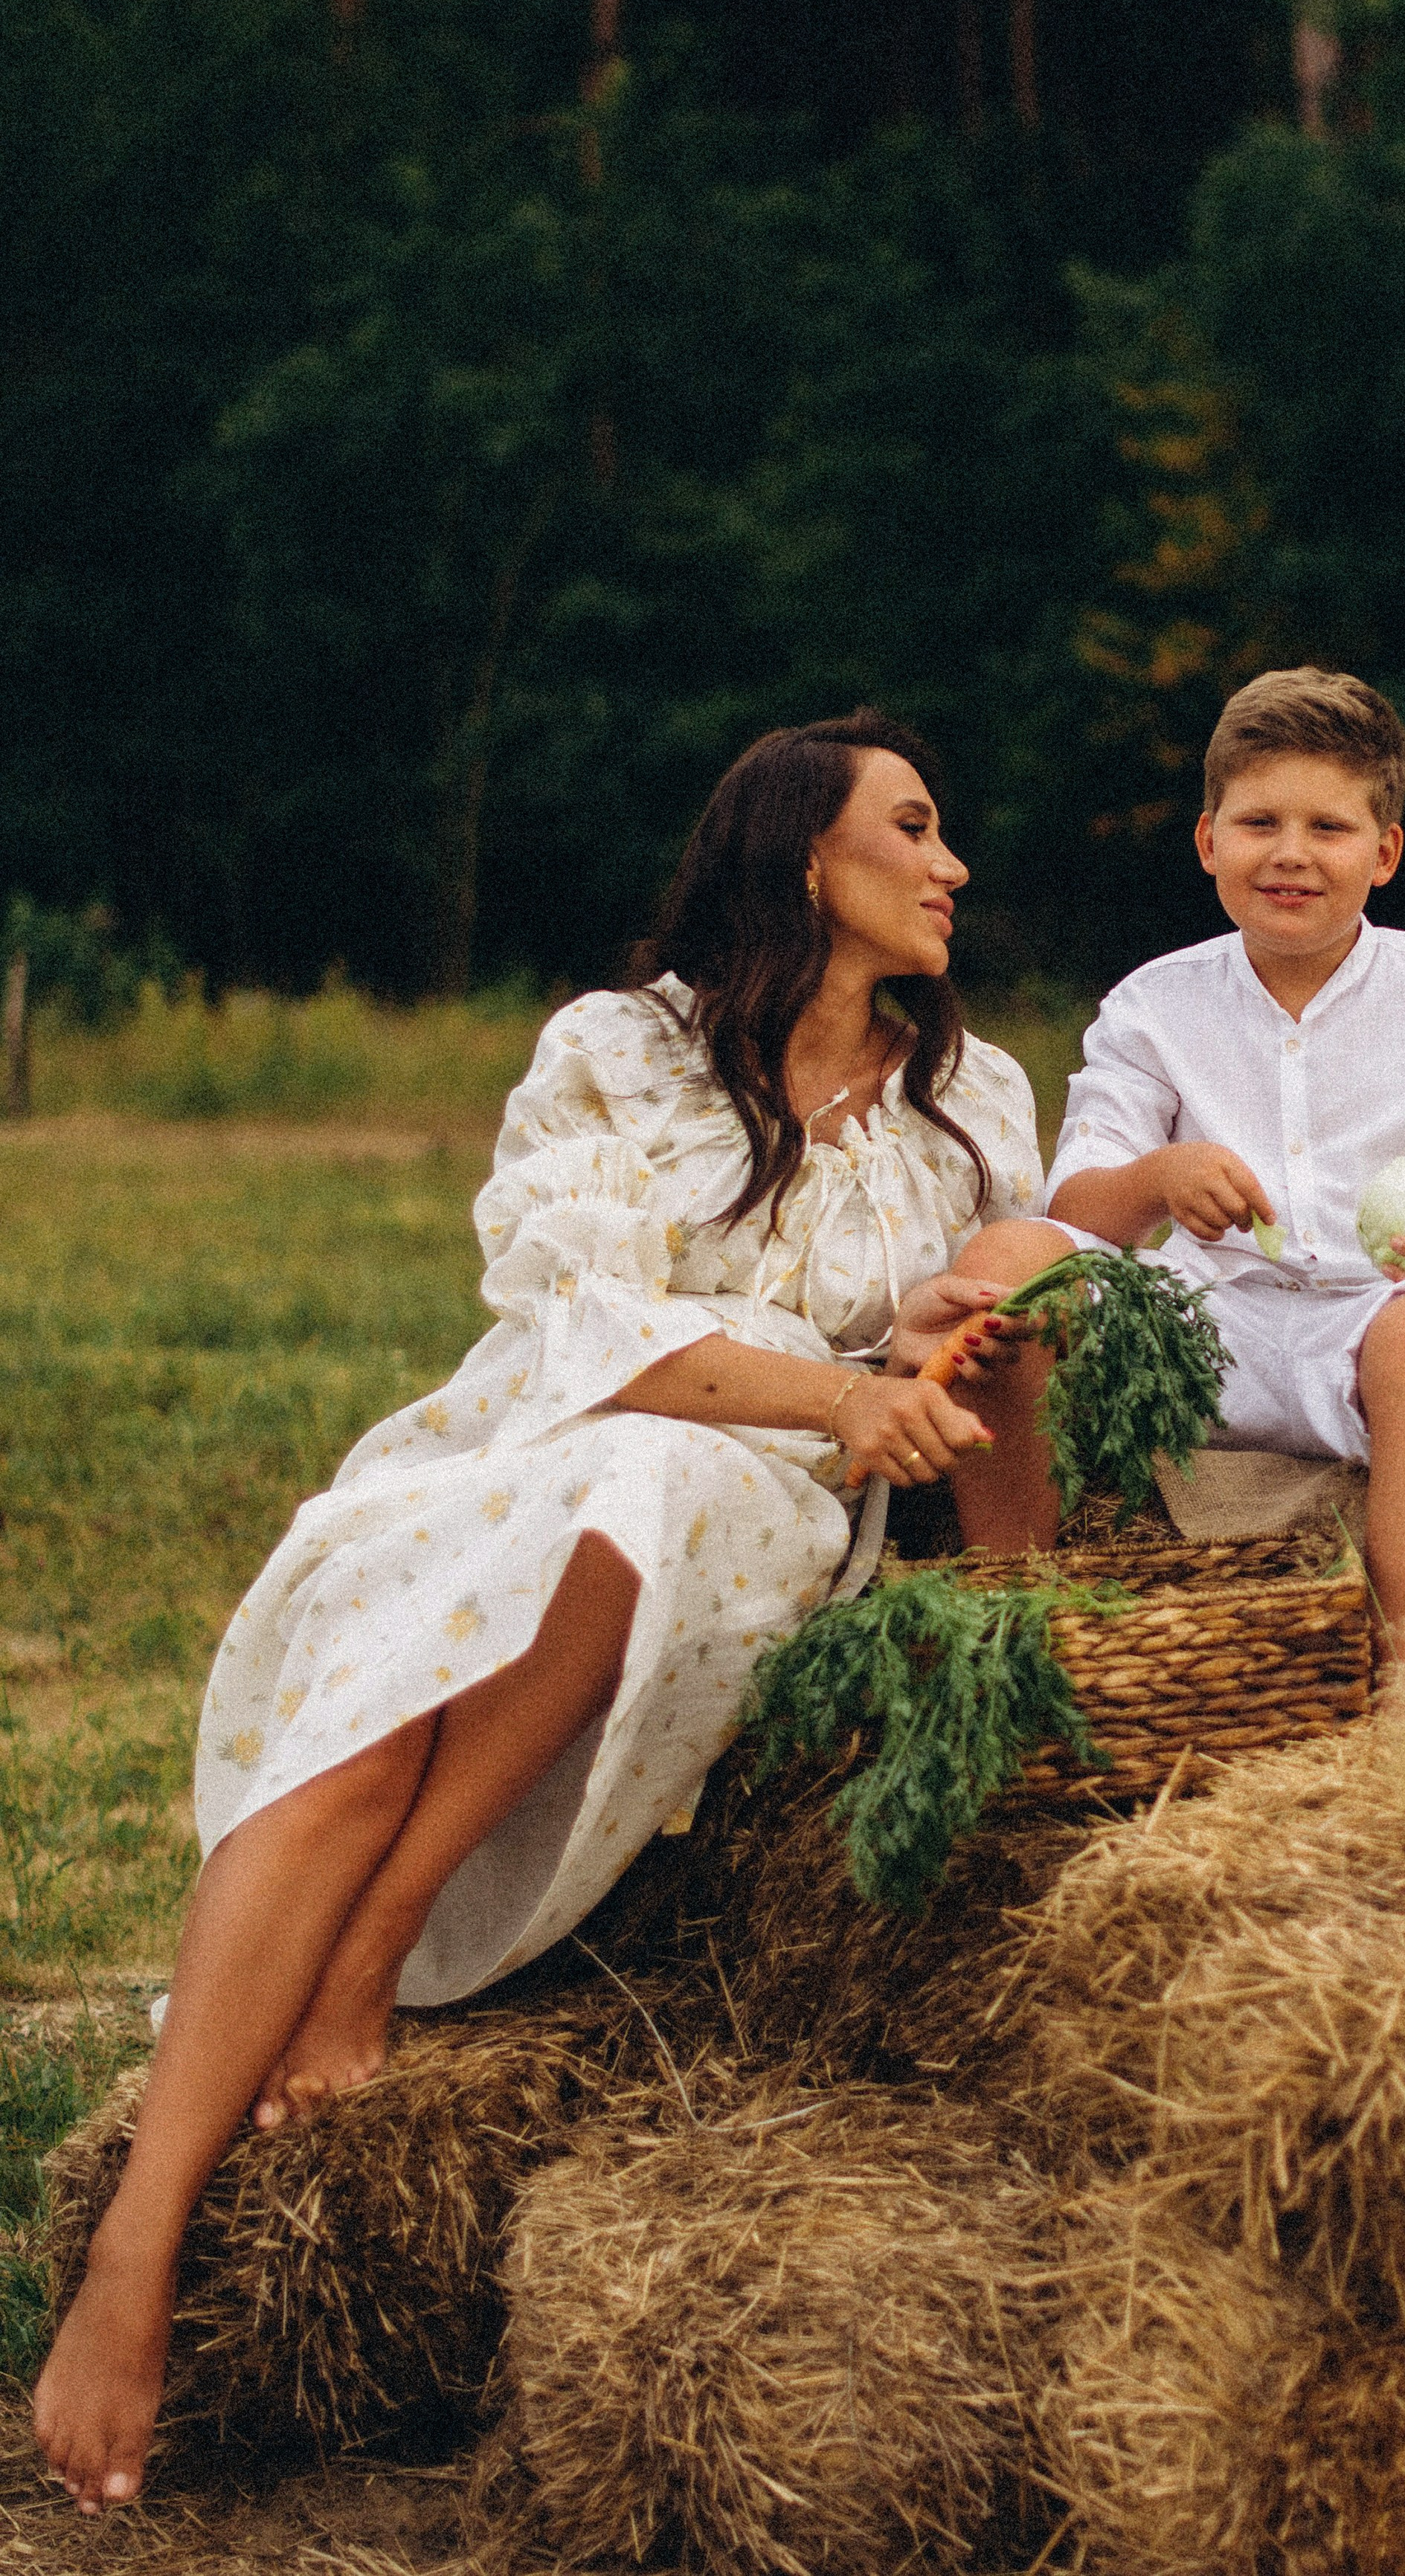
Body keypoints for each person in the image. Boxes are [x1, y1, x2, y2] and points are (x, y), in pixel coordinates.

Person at [35, 710, 1068, 2516]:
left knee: (652, 1495)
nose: (949, 865)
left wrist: (902, 1371)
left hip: (762, 1503)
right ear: (804, 862)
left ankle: (373, 1955)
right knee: (375, 1691)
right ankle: (136, 2252)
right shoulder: (617, 1049)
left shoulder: (967, 1096)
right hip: (536, 1436)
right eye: (912, 830)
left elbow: (962, 1323)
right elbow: (580, 1324)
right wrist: (831, 1390)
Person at [1043, 666, 1405, 1698]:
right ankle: (1021, 1612)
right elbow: (1076, 1206)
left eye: (1331, 827)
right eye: (1260, 821)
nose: (1292, 854)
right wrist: (1160, 1174)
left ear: (1385, 851)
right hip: (1215, 1333)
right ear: (1208, 838)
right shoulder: (1153, 1006)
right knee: (1019, 1268)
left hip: (1403, 1337)